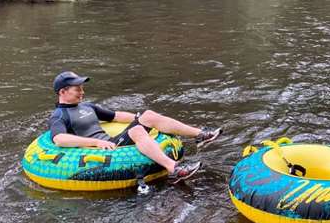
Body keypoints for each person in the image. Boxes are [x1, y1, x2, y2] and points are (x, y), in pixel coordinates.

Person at [48, 71, 221, 183]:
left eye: (82, 87)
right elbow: (59, 139)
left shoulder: (88, 106)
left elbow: (115, 116)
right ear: (63, 92)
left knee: (148, 114)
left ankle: (200, 135)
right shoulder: (59, 116)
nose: (82, 92)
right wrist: (95, 143)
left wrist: (139, 117)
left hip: (113, 141)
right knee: (137, 130)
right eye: (77, 89)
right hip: (104, 150)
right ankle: (174, 169)